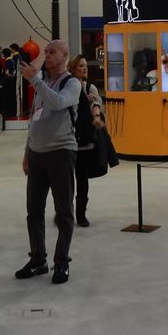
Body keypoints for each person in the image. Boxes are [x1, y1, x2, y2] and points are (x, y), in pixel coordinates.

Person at [16, 39, 81, 285]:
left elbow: (58, 102)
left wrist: (35, 80)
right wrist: (27, 152)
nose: (47, 55)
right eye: (46, 52)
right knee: (34, 211)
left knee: (63, 211)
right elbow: (34, 118)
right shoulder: (43, 83)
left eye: (52, 52)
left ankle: (61, 262)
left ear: (64, 56)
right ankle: (38, 260)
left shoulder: (72, 83)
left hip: (61, 152)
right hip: (37, 154)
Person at [68, 54, 105, 228]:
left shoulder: (90, 88)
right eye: (80, 66)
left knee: (82, 179)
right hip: (67, 138)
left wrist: (96, 116)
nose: (84, 68)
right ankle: (64, 210)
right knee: (66, 179)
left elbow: (96, 104)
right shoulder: (67, 87)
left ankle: (80, 214)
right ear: (73, 68)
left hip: (83, 141)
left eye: (85, 66)